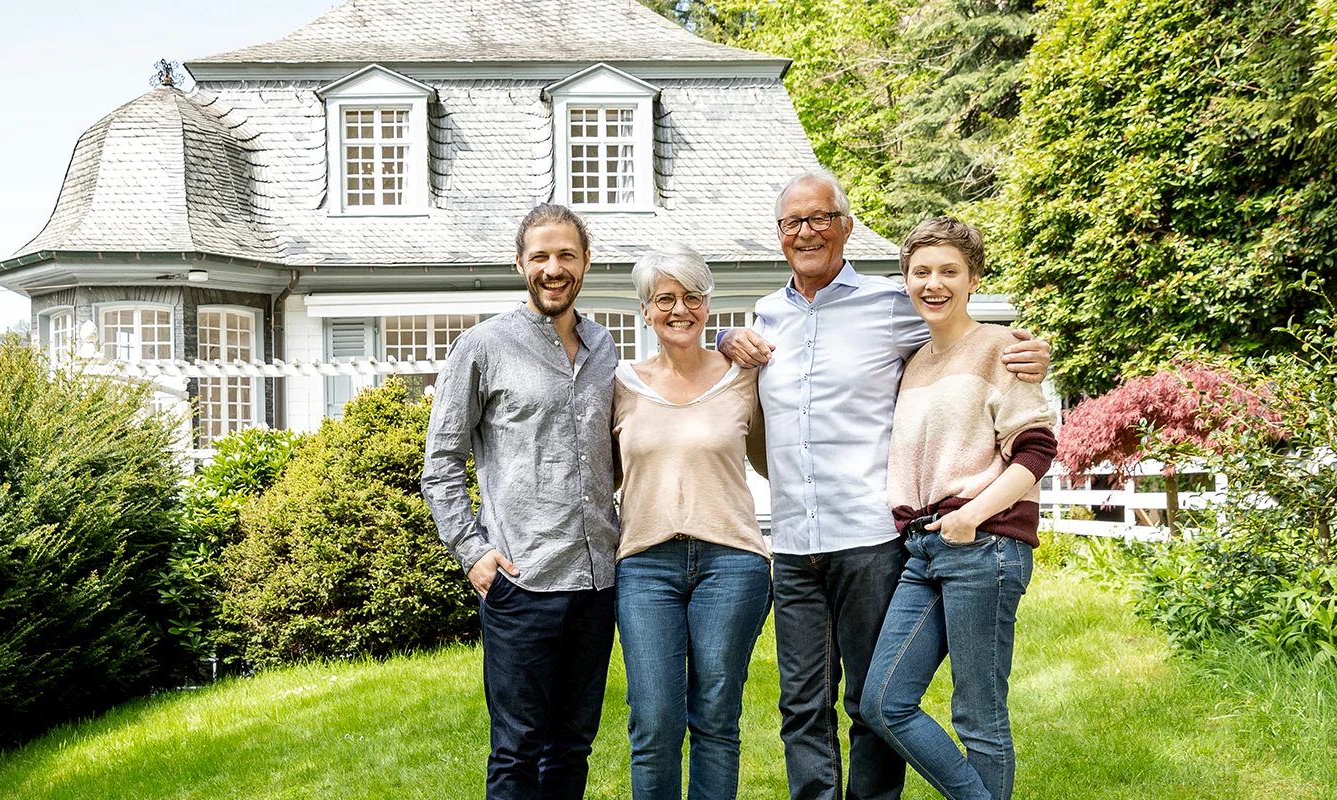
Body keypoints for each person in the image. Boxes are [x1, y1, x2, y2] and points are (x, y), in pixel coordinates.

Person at [715, 173, 1049, 800]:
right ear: (780, 235)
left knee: (875, 708)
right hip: (792, 540)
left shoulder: (892, 306)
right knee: (803, 707)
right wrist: (722, 336)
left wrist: (1037, 353)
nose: (806, 231)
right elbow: (708, 351)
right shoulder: (765, 318)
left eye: (820, 218)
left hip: (873, 538)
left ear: (845, 226)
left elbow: (977, 340)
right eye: (793, 222)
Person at [420, 203, 620, 800]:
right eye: (540, 257)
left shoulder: (605, 347)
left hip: (596, 582)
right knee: (516, 749)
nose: (553, 268)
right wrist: (470, 549)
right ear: (520, 264)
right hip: (521, 580)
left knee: (574, 745)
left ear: (586, 262)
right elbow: (441, 461)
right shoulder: (482, 347)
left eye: (566, 255)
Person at [860, 217, 1055, 800]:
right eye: (921, 272)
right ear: (906, 280)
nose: (934, 283)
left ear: (974, 279)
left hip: (985, 544)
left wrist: (973, 515)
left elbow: (1036, 448)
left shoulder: (1002, 348)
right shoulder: (914, 363)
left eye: (949, 271)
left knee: (977, 715)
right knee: (884, 702)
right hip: (923, 547)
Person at [611, 245, 771, 800]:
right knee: (654, 721)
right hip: (645, 565)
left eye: (694, 297)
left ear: (708, 305)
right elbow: (595, 476)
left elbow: (778, 460)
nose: (681, 309)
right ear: (646, 311)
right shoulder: (621, 383)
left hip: (732, 562)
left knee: (716, 718)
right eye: (666, 299)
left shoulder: (743, 377)